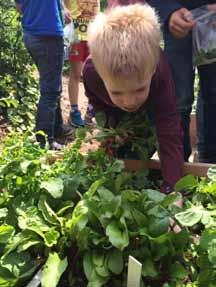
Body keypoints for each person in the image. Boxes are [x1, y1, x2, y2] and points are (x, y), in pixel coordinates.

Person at [83, 4, 184, 193]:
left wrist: (173, 189)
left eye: (139, 89)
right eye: (117, 92)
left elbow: (169, 129)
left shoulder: (161, 73)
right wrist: (110, 127)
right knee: (121, 151)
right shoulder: (91, 72)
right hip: (113, 111)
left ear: (152, 70)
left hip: (155, 103)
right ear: (101, 75)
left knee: (162, 140)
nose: (130, 101)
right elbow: (96, 100)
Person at [149, 1, 216, 163]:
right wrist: (168, 11)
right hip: (177, 20)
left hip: (212, 20)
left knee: (213, 91)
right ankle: (179, 165)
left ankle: (209, 161)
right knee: (179, 97)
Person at [15, 0, 73, 150]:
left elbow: (20, 8)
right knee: (50, 91)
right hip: (48, 36)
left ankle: (57, 128)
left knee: (53, 84)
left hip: (31, 34)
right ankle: (44, 140)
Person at [64, 0, 99, 127]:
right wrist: (64, 10)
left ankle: (91, 111)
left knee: (95, 74)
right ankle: (74, 112)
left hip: (94, 35)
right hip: (76, 35)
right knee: (76, 74)